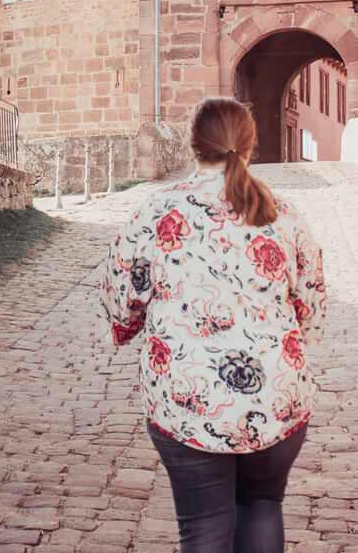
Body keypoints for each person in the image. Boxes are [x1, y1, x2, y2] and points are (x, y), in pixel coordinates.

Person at [100, 97, 325, 553]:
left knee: (203, 526)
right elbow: (311, 311)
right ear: (249, 145)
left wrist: (136, 327)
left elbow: (121, 303)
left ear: (193, 145)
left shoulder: (156, 212)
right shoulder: (286, 216)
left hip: (189, 401)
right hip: (276, 398)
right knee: (263, 505)